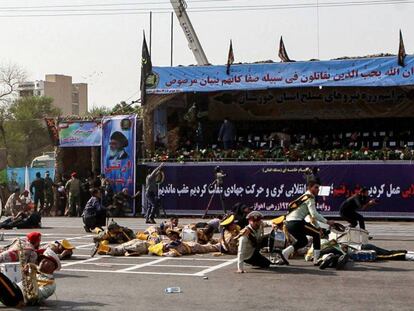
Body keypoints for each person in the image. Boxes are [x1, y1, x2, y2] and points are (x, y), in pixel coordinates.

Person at [281, 180, 335, 265]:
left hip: (288, 224)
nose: (318, 189)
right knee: (316, 234)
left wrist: (318, 227)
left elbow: (311, 217)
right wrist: (327, 222)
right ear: (309, 188)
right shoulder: (310, 197)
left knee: (303, 241)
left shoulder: (304, 197)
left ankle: (285, 252)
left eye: (319, 188)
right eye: (316, 187)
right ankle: (316, 260)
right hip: (296, 223)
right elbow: (314, 214)